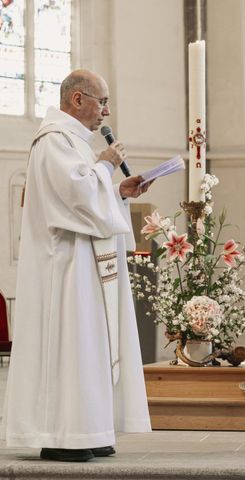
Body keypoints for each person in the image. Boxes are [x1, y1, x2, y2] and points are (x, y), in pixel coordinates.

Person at [1, 69, 153, 462]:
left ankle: (90, 428)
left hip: (87, 263)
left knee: (90, 347)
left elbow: (92, 193)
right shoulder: (53, 140)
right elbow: (76, 195)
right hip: (64, 268)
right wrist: (105, 167)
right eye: (102, 100)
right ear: (78, 99)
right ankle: (62, 435)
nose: (106, 109)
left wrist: (119, 188)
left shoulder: (76, 142)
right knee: (71, 346)